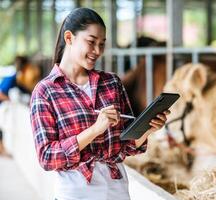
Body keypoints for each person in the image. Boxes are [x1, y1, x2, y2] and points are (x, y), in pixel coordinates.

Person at [30, 8, 170, 200]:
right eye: (91, 42)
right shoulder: (45, 91)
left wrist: (147, 128)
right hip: (75, 193)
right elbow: (47, 157)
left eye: (102, 44)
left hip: (117, 191)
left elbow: (126, 145)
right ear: (69, 38)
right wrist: (96, 129)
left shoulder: (112, 83)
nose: (97, 51)